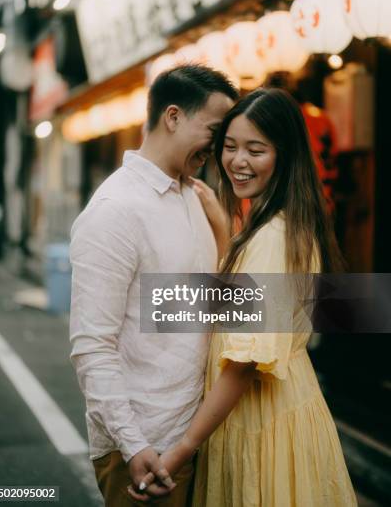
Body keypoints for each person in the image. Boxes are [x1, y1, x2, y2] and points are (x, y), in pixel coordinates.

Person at [134, 88, 357, 506]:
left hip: (262, 422)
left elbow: (242, 365)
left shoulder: (273, 237)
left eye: (256, 150)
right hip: (265, 416)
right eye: (230, 147)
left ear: (284, 156)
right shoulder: (271, 225)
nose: (238, 162)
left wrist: (181, 451)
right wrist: (223, 230)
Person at [69, 64, 238, 507]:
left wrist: (223, 233)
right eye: (216, 131)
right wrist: (133, 445)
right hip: (146, 448)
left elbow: (207, 308)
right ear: (174, 116)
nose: (220, 148)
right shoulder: (114, 210)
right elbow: (92, 346)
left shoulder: (195, 195)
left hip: (195, 439)